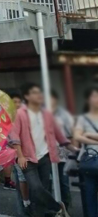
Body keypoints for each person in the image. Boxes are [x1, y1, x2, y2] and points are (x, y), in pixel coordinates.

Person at [9, 82, 68, 217]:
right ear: (27, 96)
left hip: (45, 157)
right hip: (28, 158)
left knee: (43, 190)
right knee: (36, 188)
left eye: (39, 92)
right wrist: (21, 156)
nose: (39, 95)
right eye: (35, 92)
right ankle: (58, 207)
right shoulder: (20, 113)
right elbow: (14, 135)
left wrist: (68, 145)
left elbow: (56, 133)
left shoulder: (45, 114)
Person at [51, 90, 77, 211]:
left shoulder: (63, 115)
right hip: (46, 154)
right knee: (49, 183)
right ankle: (54, 209)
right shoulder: (40, 113)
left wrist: (74, 151)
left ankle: (66, 208)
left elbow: (71, 134)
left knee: (63, 182)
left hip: (62, 154)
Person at [74, 87, 98, 217]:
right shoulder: (83, 118)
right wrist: (95, 142)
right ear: (88, 100)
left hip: (90, 159)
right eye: (94, 96)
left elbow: (81, 135)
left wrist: (88, 134)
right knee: (89, 195)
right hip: (90, 161)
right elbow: (77, 136)